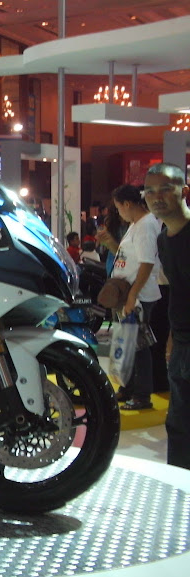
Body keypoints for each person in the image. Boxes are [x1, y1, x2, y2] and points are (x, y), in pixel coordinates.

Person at [143, 162, 190, 469]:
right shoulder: (163, 239)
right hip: (182, 345)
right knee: (179, 425)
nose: (156, 197)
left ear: (183, 191)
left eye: (164, 189)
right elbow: (178, 291)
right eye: (150, 191)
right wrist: (173, 337)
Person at [110, 183, 162, 411]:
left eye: (118, 208)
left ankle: (142, 395)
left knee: (139, 347)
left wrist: (132, 295)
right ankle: (128, 388)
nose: (119, 212)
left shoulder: (146, 226)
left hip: (139, 296)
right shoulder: (137, 224)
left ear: (127, 204)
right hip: (129, 294)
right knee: (128, 345)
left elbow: (147, 263)